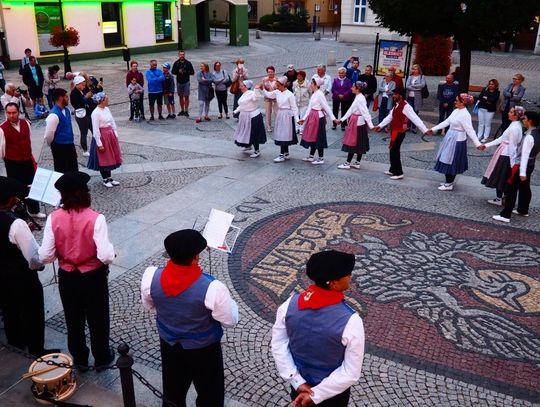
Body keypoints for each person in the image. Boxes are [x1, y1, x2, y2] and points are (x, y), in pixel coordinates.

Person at [140, 229, 239, 407]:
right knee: (210, 393)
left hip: (169, 342)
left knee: (173, 389)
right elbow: (230, 320)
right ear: (196, 257)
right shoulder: (213, 288)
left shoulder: (151, 276)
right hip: (204, 348)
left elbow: (150, 305)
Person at [39, 171, 116, 371]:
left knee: (73, 318)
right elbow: (105, 256)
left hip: (67, 274)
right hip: (93, 276)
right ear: (84, 193)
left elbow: (45, 255)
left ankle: (80, 359)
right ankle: (102, 357)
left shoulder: (53, 218)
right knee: (98, 317)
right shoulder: (96, 218)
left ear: (63, 195)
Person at [271, 250, 365, 407]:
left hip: (299, 387)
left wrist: (297, 382)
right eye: (348, 274)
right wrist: (316, 395)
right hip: (333, 395)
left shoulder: (289, 305)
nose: (350, 277)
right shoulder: (351, 321)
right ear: (334, 283)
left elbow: (278, 344)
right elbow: (350, 373)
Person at [0, 176, 58, 357]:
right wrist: (40, 266)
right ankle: (36, 348)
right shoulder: (16, 223)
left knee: (9, 308)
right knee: (32, 311)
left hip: (2, 274)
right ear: (10, 198)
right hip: (21, 275)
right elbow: (34, 257)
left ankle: (15, 341)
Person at [427, 93, 481, 191]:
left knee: (452, 160)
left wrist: (478, 144)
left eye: (457, 100)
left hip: (457, 140)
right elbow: (447, 121)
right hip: (450, 137)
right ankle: (448, 181)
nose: (455, 101)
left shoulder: (465, 115)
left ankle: (449, 183)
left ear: (463, 102)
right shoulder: (456, 111)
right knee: (446, 158)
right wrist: (433, 129)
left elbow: (470, 130)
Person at [493, 111, 539, 223]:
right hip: (530, 164)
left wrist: (522, 172)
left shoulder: (529, 136)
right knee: (524, 188)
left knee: (511, 189)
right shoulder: (536, 133)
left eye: (525, 118)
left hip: (523, 165)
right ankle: (523, 209)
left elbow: (524, 156)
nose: (523, 120)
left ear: (530, 121)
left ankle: (505, 215)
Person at [0, 102, 45, 217]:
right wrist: (9, 160)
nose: (11, 115)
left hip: (27, 160)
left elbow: (29, 140)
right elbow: (1, 149)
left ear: (18, 112)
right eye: (9, 113)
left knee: (31, 185)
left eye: (14, 113)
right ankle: (22, 213)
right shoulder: (2, 129)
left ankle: (34, 210)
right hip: (13, 163)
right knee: (17, 187)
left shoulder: (26, 124)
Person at [374, 87, 428, 180]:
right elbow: (389, 117)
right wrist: (380, 125)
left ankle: (399, 172)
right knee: (392, 150)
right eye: (394, 94)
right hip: (394, 131)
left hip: (399, 132)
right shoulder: (397, 105)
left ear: (401, 95)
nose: (393, 96)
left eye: (395, 94)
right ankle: (392, 169)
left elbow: (415, 118)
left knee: (395, 151)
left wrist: (424, 130)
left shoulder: (406, 106)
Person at [480, 106, 525, 206]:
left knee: (501, 176)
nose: (508, 113)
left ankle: (499, 198)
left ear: (516, 115)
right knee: (502, 176)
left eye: (511, 112)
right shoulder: (514, 125)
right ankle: (501, 198)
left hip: (506, 155)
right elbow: (502, 139)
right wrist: (486, 145)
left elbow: (513, 146)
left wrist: (513, 163)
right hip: (504, 152)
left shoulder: (514, 127)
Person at [258, 76, 299, 163]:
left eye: (278, 85)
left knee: (284, 134)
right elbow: (268, 95)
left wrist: (297, 119)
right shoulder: (277, 92)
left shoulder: (290, 94)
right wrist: (262, 89)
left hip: (287, 115)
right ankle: (286, 153)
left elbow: (294, 107)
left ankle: (282, 154)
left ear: (283, 85)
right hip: (281, 114)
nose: (276, 86)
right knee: (281, 133)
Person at [87, 93, 122, 188]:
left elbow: (112, 122)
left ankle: (109, 177)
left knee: (110, 156)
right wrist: (99, 144)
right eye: (106, 98)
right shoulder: (96, 113)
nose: (108, 100)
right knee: (103, 157)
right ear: (101, 100)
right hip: (102, 136)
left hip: (109, 135)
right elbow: (95, 129)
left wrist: (115, 135)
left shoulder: (107, 109)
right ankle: (105, 179)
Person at [298, 78, 336, 165]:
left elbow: (326, 107)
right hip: (313, 116)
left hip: (319, 118)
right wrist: (303, 119)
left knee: (319, 137)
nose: (310, 85)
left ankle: (321, 157)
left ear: (316, 85)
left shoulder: (320, 94)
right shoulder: (314, 94)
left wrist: (333, 119)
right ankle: (311, 156)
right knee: (312, 136)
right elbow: (309, 108)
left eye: (312, 83)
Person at [337, 81, 374, 170]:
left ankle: (348, 163)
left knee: (352, 142)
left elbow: (365, 112)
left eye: (353, 87)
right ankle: (357, 162)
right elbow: (351, 110)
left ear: (358, 89)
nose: (351, 88)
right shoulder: (358, 97)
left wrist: (371, 125)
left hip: (357, 122)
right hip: (358, 121)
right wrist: (342, 119)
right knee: (359, 142)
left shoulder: (360, 99)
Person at [44, 88, 78, 173]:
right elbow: (49, 134)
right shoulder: (53, 115)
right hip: (59, 146)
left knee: (73, 167)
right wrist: (53, 145)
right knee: (62, 169)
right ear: (60, 98)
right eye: (66, 97)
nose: (68, 99)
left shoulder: (67, 110)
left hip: (70, 144)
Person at [233, 80, 266, 158]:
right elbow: (242, 105)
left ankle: (257, 150)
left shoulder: (251, 93)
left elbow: (256, 98)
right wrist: (236, 111)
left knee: (253, 133)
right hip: (244, 116)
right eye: (240, 86)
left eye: (242, 86)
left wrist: (257, 89)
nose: (240, 87)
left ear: (246, 87)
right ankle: (247, 145)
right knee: (245, 132)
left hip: (253, 116)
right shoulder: (244, 94)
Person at [70, 75, 95, 156]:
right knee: (84, 132)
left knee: (94, 130)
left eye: (84, 85)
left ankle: (96, 145)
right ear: (77, 84)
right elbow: (78, 104)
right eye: (82, 85)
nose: (84, 86)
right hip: (81, 115)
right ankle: (85, 150)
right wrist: (86, 97)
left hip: (87, 113)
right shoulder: (74, 93)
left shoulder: (81, 91)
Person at [171, 50, 195, 117]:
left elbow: (192, 72)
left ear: (184, 55)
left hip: (186, 82)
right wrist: (178, 71)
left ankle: (186, 110)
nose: (182, 55)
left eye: (183, 54)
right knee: (180, 97)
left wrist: (186, 71)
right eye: (181, 54)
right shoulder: (176, 63)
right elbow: (173, 72)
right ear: (178, 55)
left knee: (186, 96)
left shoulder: (188, 63)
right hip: (179, 82)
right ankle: (182, 110)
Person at [405, 64, 426, 133]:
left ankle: (414, 127)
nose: (414, 70)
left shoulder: (422, 77)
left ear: (418, 70)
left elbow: (422, 85)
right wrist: (416, 88)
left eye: (416, 69)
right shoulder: (410, 77)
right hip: (409, 97)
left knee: (415, 112)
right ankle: (408, 126)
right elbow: (407, 86)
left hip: (417, 97)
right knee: (409, 112)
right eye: (413, 69)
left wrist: (413, 86)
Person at [292, 70, 311, 136]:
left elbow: (310, 92)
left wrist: (309, 100)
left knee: (303, 117)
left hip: (304, 103)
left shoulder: (308, 83)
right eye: (297, 76)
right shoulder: (295, 83)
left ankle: (301, 129)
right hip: (296, 102)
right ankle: (296, 128)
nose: (298, 77)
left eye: (299, 76)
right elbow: (294, 91)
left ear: (303, 77)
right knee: (296, 116)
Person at [262, 66, 278, 133]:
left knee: (276, 112)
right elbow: (262, 88)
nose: (270, 73)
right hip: (267, 99)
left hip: (275, 98)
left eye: (271, 72)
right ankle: (269, 126)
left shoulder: (277, 79)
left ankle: (278, 125)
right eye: (269, 72)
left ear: (274, 72)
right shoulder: (264, 79)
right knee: (268, 112)